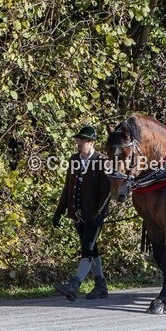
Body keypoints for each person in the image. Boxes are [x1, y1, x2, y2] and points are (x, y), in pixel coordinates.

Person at [53, 126, 112, 300]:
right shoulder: (74, 160)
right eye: (78, 140)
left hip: (94, 216)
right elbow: (67, 188)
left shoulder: (102, 161)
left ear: (91, 142)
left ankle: (74, 285)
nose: (79, 143)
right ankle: (101, 285)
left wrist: (100, 213)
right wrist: (59, 211)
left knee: (86, 248)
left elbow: (107, 192)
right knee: (92, 249)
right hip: (77, 214)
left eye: (82, 140)